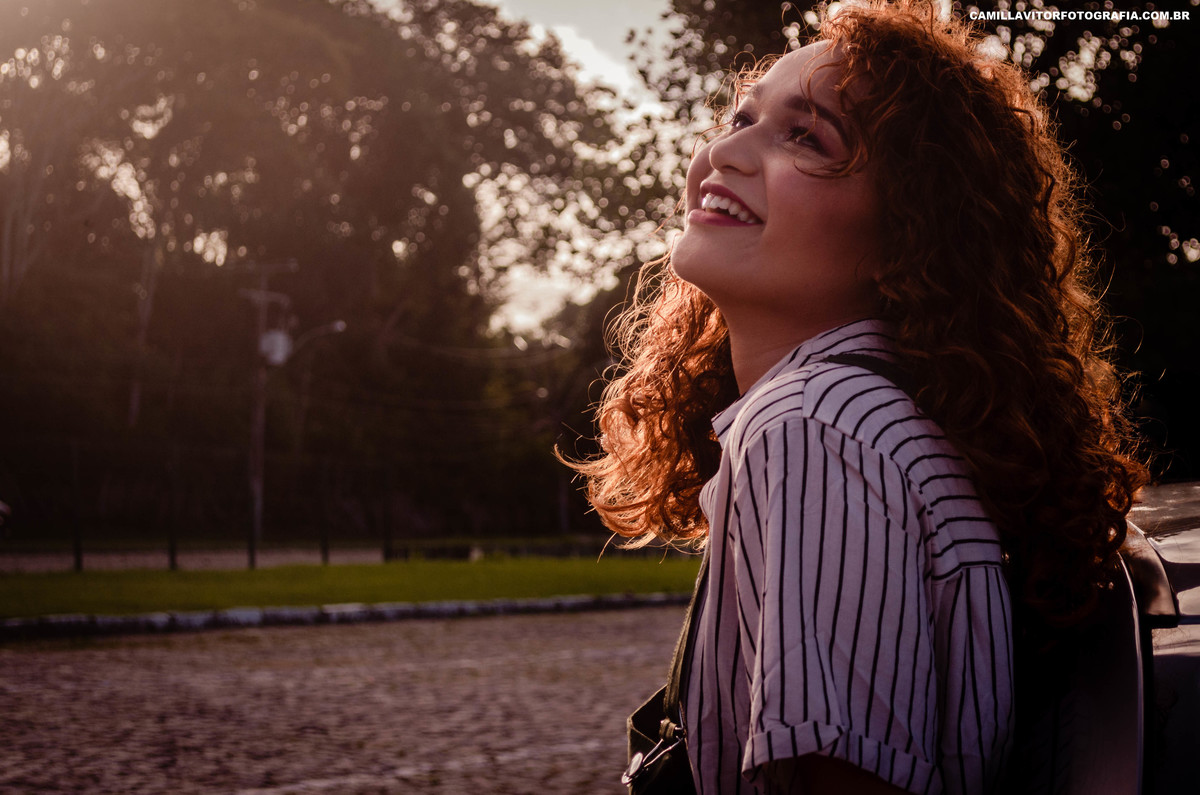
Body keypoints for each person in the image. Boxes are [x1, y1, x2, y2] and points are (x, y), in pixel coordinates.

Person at [569, 1, 1148, 793]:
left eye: (806, 136)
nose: (728, 151)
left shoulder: (813, 425)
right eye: (740, 117)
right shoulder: (874, 418)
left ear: (910, 233)